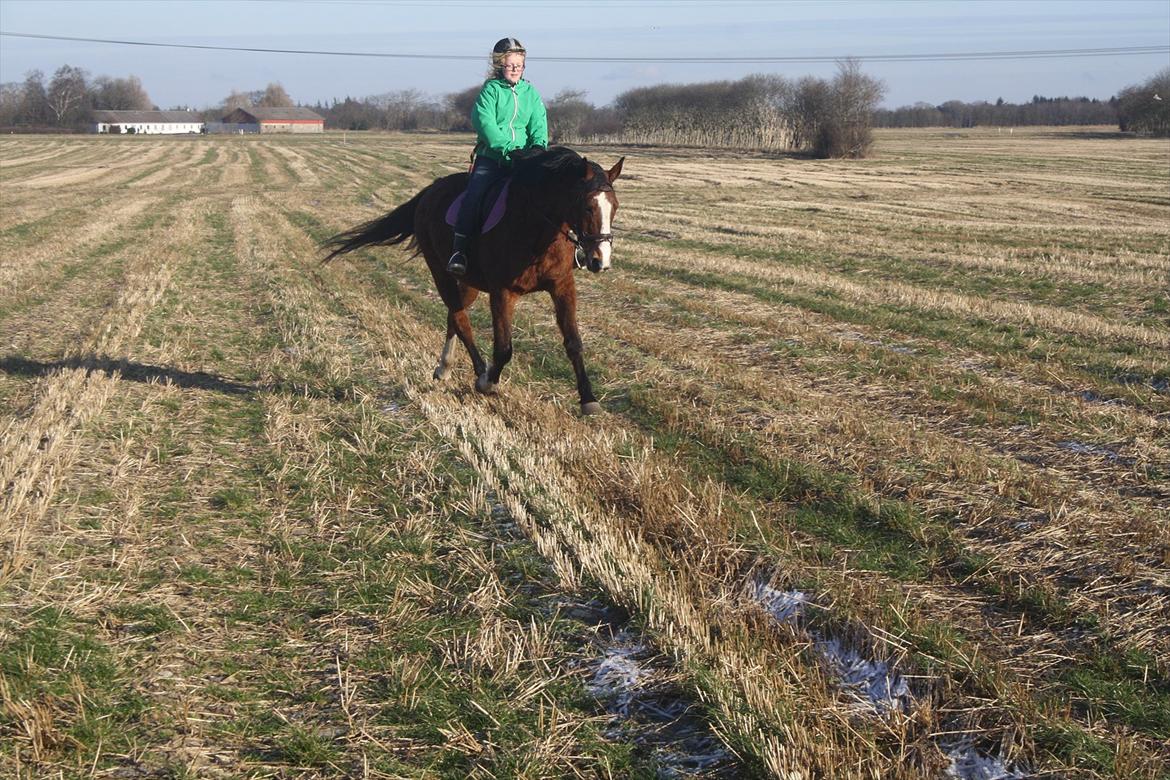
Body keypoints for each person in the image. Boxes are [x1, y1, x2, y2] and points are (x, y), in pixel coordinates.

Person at [447, 37, 549, 276]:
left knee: (552, 194)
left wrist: (538, 147)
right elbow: (485, 123)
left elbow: (539, 123)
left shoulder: (530, 93)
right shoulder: (490, 91)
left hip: (525, 159)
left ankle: (570, 248)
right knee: (474, 195)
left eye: (519, 65)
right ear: (499, 65)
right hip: (492, 158)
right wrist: (507, 148)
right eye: (510, 65)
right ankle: (459, 251)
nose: (515, 69)